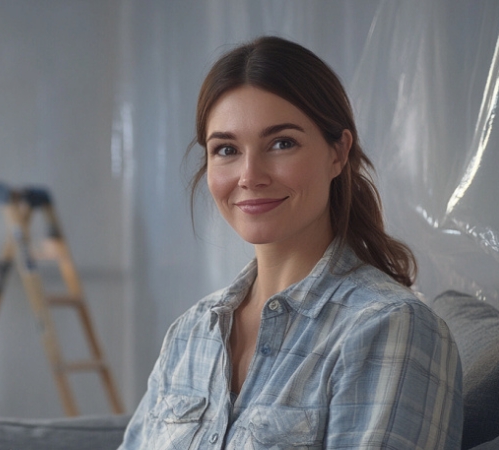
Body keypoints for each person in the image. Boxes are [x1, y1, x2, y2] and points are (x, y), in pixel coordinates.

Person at [118, 36, 463, 449]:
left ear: (338, 153)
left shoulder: (388, 328)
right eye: (226, 149)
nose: (249, 175)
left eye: (282, 143)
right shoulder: (190, 334)